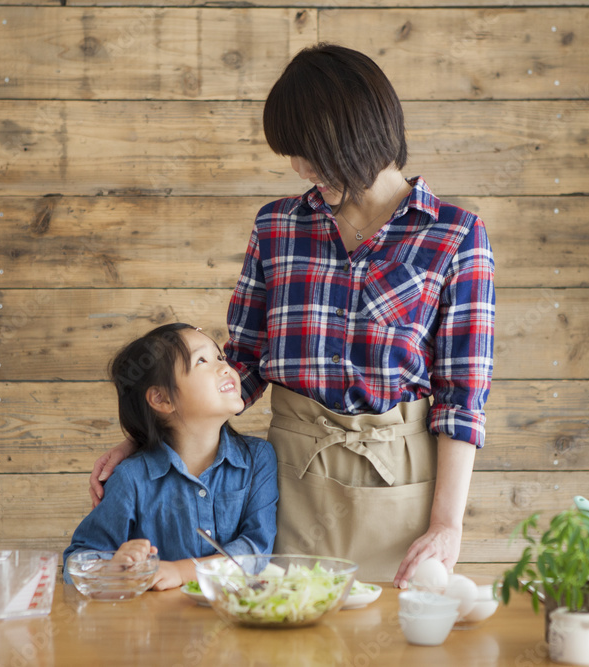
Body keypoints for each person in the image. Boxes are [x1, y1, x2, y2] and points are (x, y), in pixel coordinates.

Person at [90, 44, 494, 587]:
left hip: (400, 486)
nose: (300, 168)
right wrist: (152, 436)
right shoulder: (278, 225)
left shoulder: (456, 235)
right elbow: (244, 364)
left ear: (357, 134)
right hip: (289, 481)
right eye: (294, 153)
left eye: (311, 152)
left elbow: (462, 396)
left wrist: (446, 524)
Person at [65, 323, 278, 590]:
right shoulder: (131, 478)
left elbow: (257, 550)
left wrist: (182, 571)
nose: (226, 367)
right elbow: (76, 562)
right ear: (162, 399)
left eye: (220, 357)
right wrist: (114, 567)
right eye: (202, 360)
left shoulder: (258, 458)